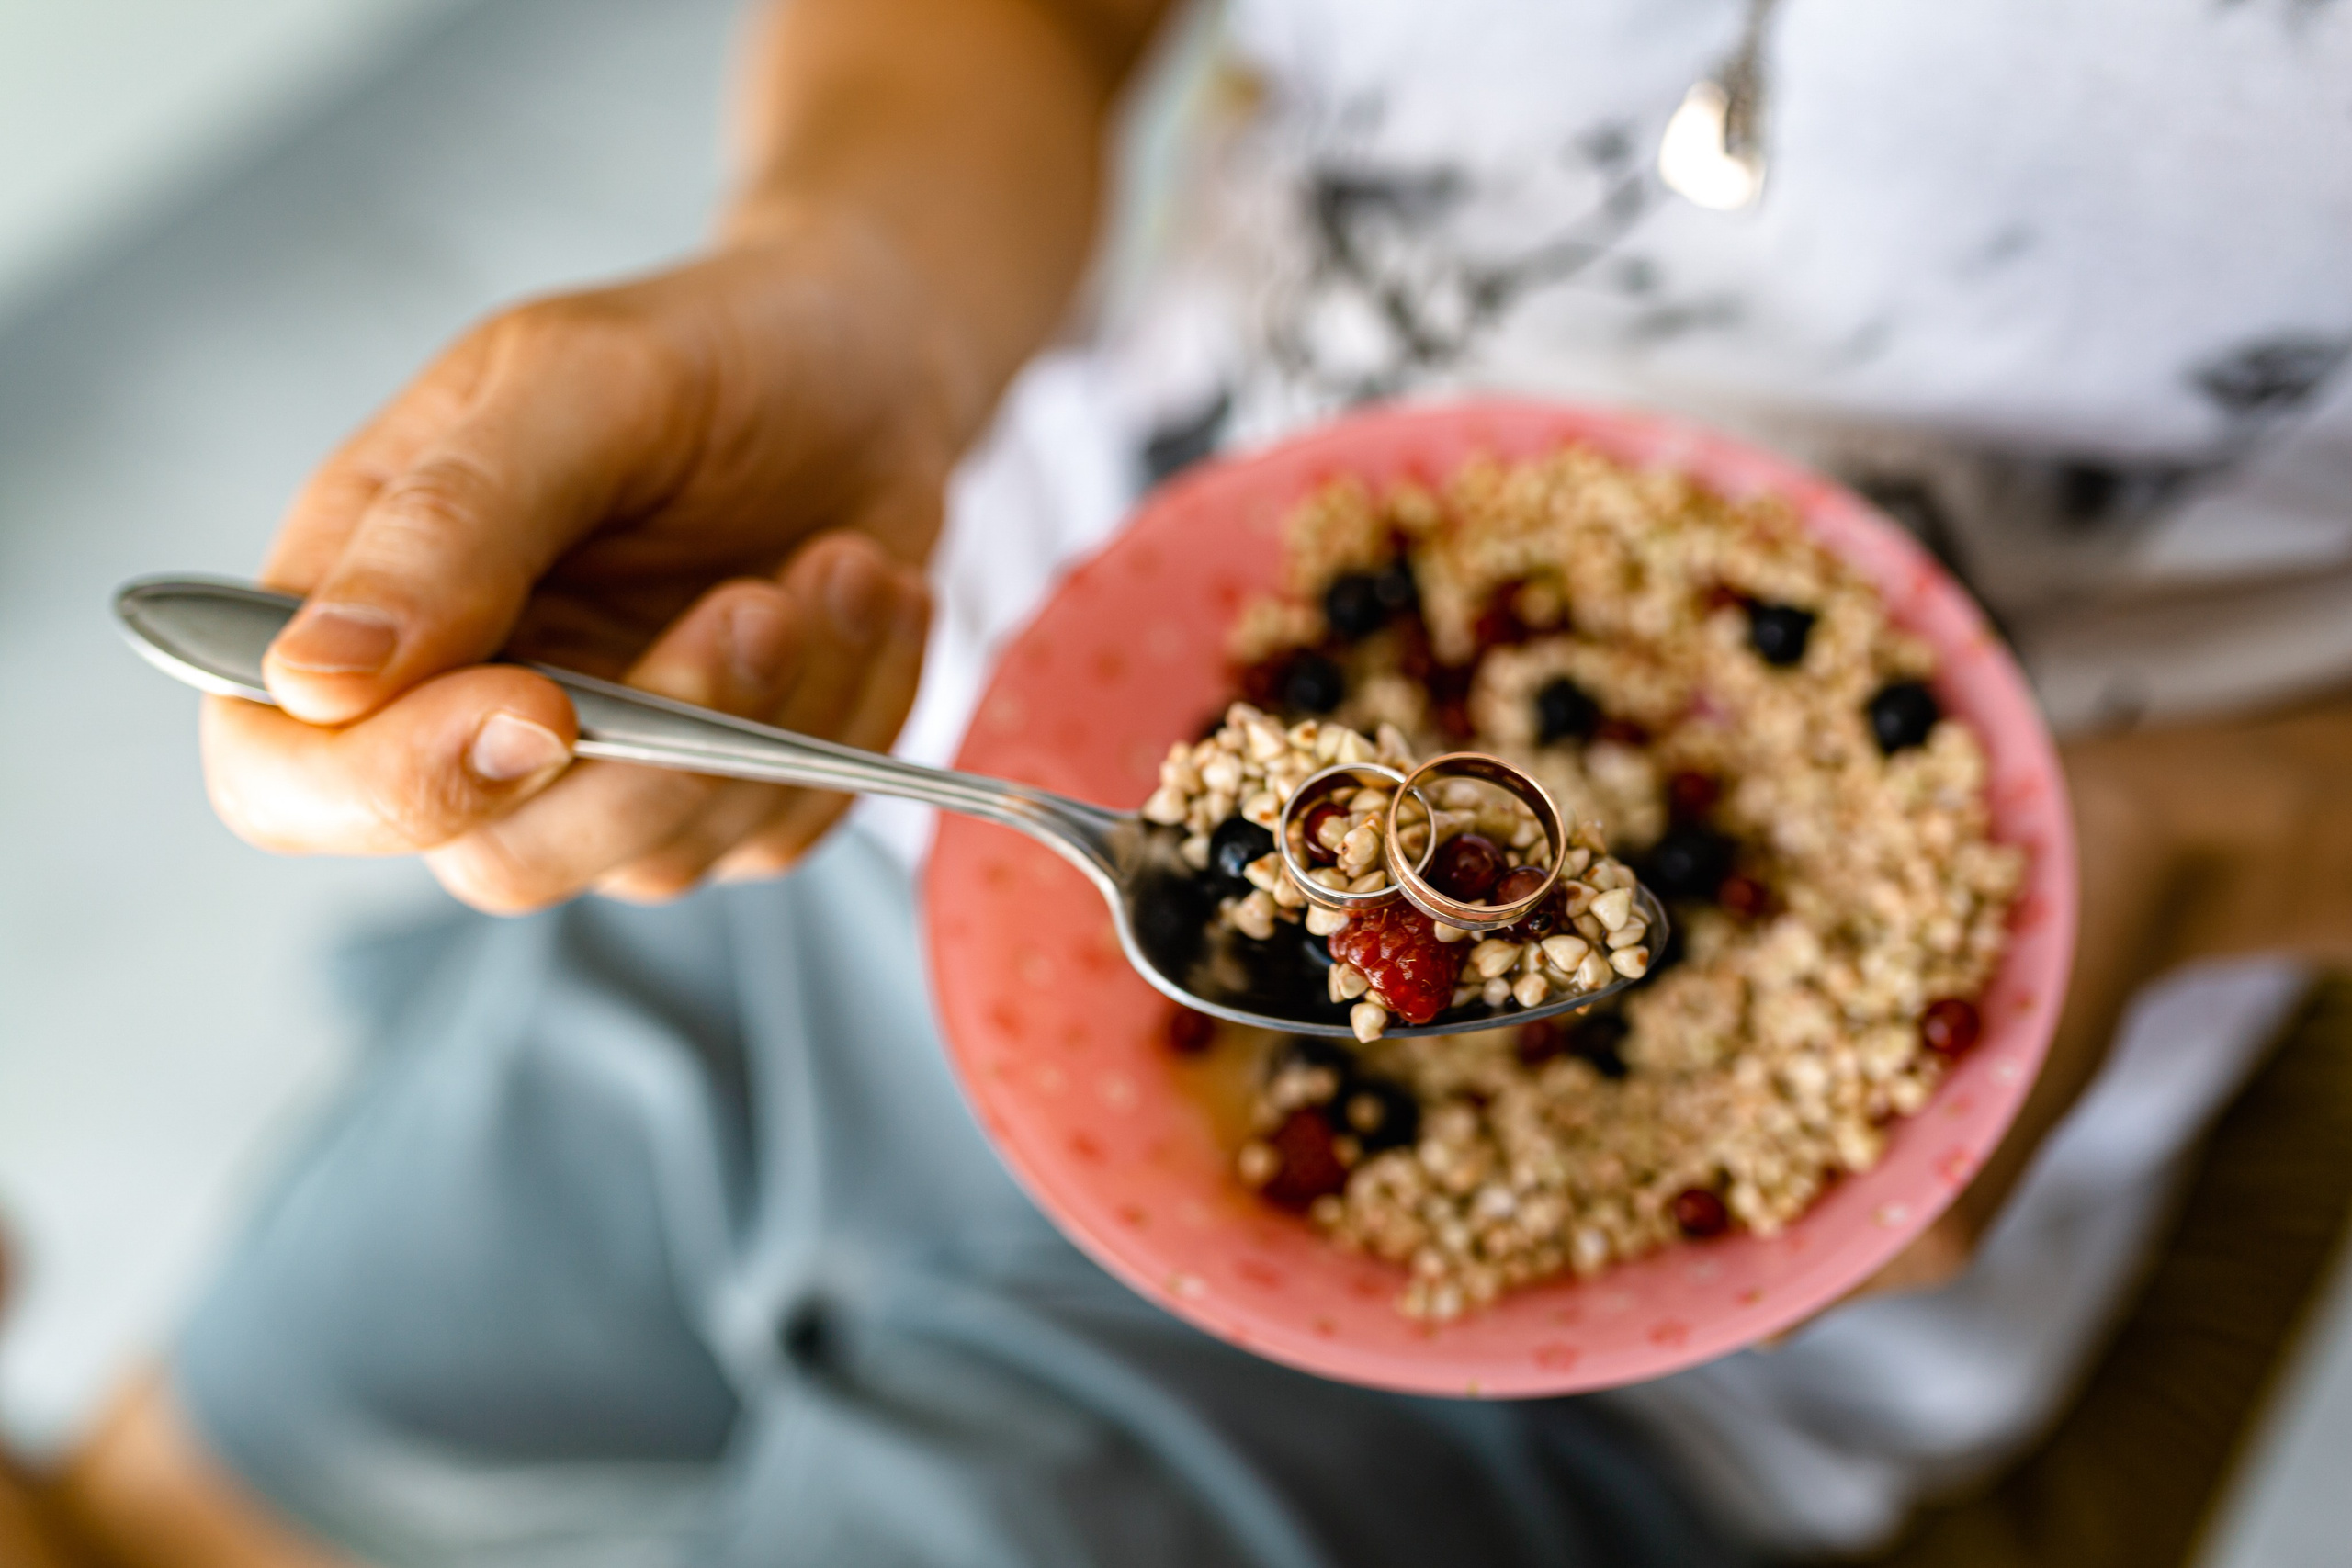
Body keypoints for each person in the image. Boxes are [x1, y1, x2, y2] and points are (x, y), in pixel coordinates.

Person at [6, 0, 2352, 1562]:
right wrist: (858, 286)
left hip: (1589, 1302)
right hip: (899, 779)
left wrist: (2194, 843)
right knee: (207, 1480)